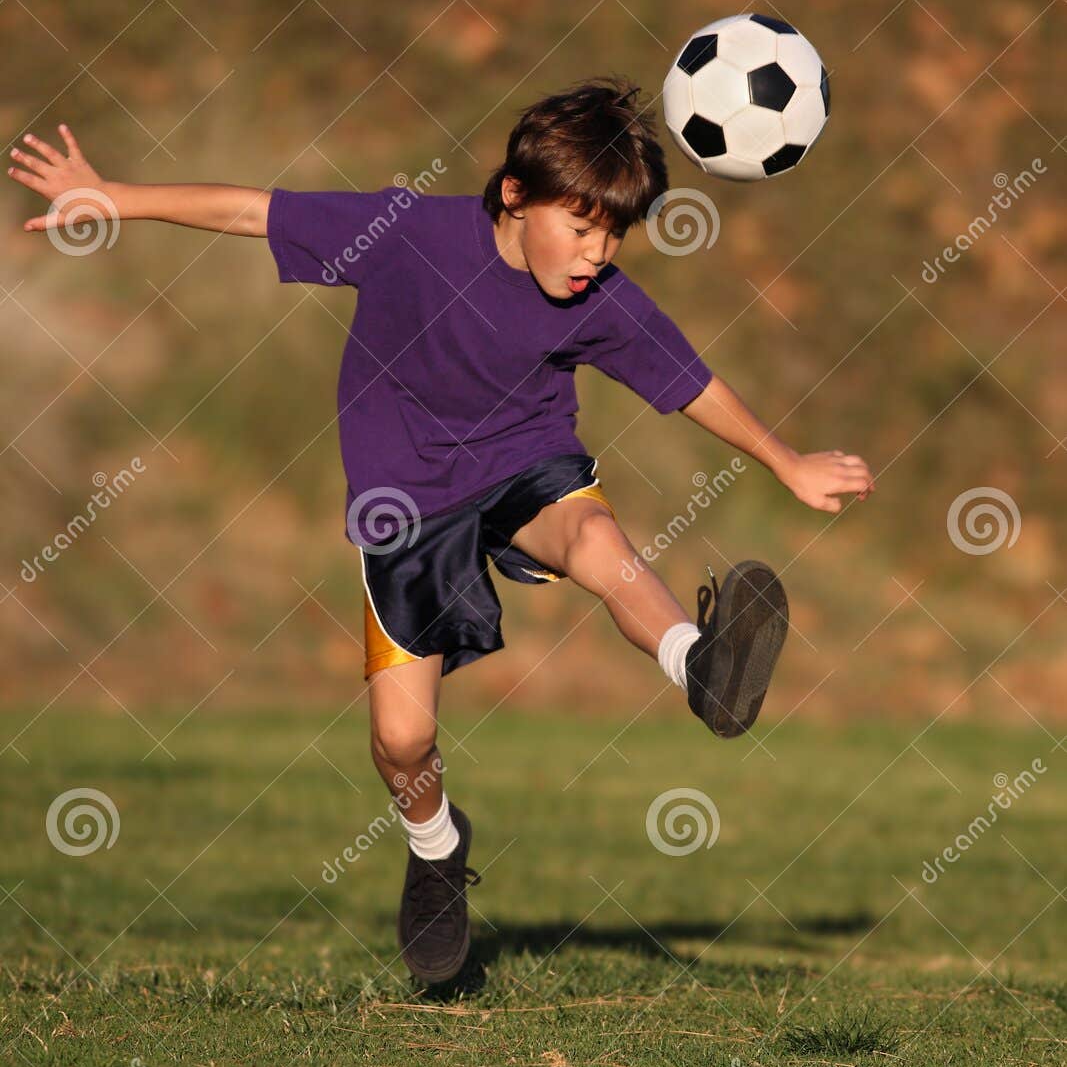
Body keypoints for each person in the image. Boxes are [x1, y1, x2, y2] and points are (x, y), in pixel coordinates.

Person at [8, 79, 875, 986]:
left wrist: (785, 461)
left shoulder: (598, 299)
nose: (596, 254)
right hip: (406, 505)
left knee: (593, 541)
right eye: (579, 229)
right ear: (513, 195)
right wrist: (115, 199)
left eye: (614, 235)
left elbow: (686, 380)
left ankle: (699, 665)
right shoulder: (406, 237)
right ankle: (435, 846)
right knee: (402, 742)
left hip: (524, 465)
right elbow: (252, 210)